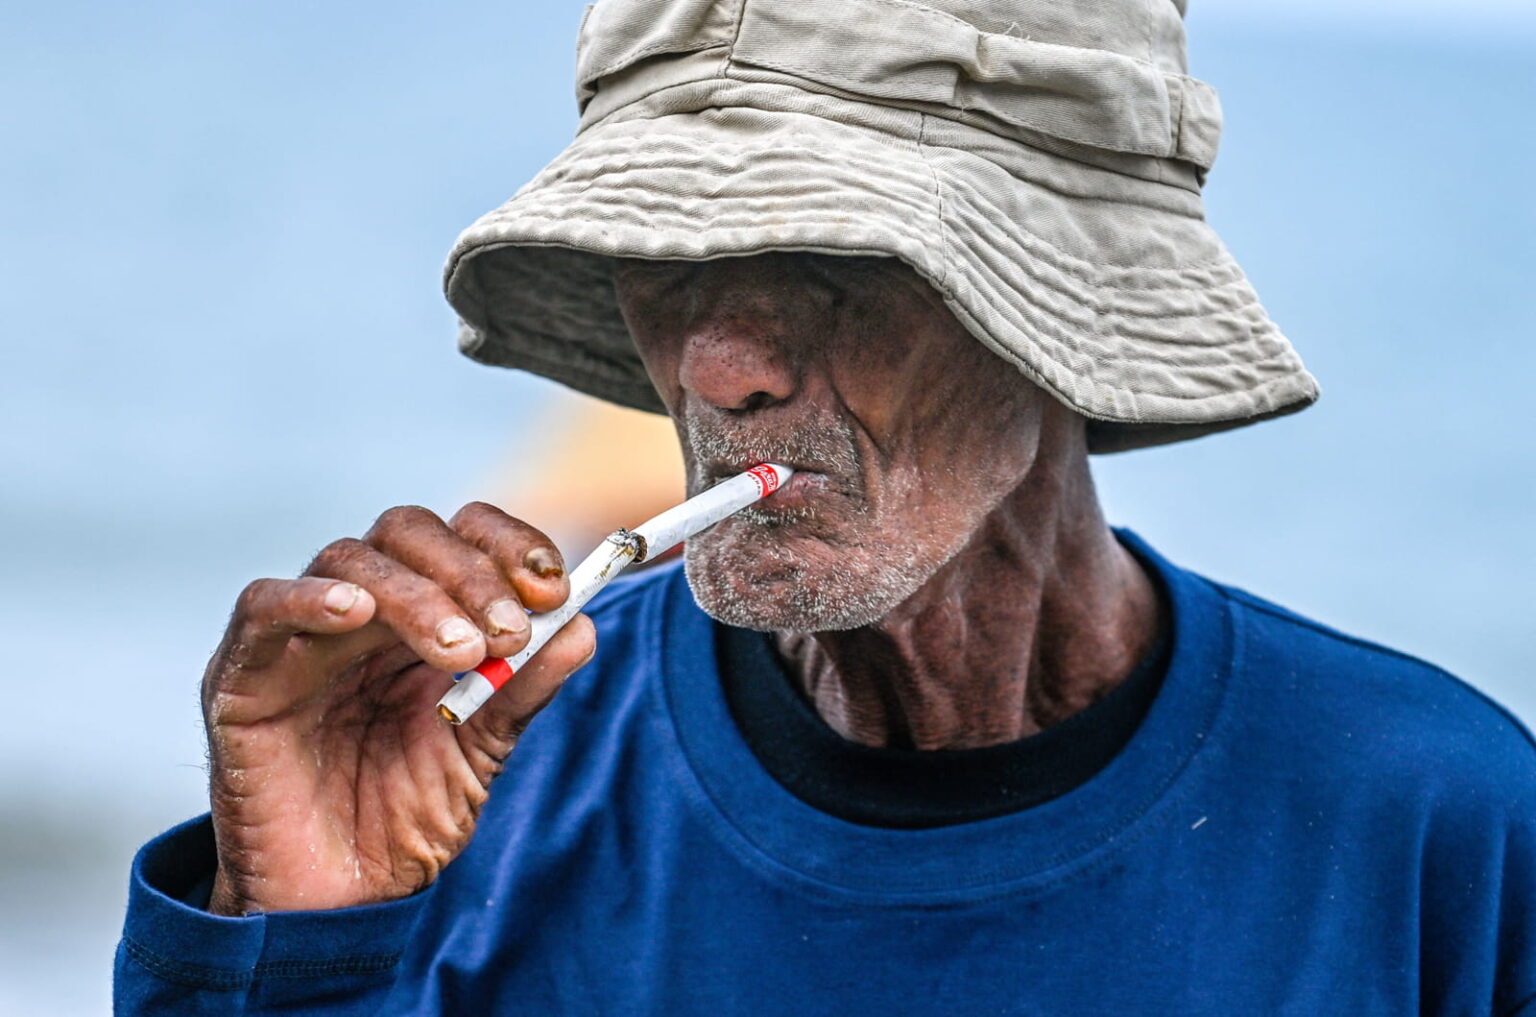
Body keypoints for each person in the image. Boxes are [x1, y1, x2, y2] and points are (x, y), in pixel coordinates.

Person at [115, 0, 1536, 1013]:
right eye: (664, 249)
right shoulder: (473, 795)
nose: (717, 367)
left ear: (1067, 303)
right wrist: (297, 948)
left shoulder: (1431, 829)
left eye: (834, 255)